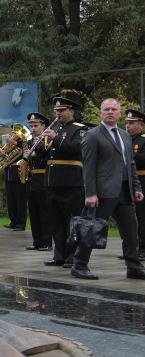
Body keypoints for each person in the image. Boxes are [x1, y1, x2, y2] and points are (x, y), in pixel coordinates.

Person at [75, 98, 145, 281]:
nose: (110, 112)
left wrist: (136, 187)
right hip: (102, 193)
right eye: (106, 109)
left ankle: (133, 266)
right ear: (100, 113)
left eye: (114, 109)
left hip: (124, 191)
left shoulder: (124, 135)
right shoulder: (92, 135)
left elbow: (129, 163)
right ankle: (79, 265)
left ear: (120, 113)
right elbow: (88, 167)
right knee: (92, 229)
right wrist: (90, 193)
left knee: (131, 231)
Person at [40, 96, 88, 267]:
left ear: (71, 112)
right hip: (52, 182)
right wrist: (37, 150)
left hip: (70, 183)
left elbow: (76, 149)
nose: (58, 113)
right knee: (56, 222)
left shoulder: (80, 129)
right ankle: (58, 255)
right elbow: (48, 157)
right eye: (57, 111)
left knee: (71, 222)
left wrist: (56, 138)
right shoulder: (56, 129)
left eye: (62, 110)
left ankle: (72, 256)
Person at [23, 112, 53, 251]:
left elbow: (50, 159)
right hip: (32, 179)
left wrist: (38, 153)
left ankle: (46, 242)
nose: (33, 129)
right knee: (34, 212)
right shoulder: (30, 142)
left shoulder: (48, 141)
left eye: (36, 126)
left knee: (44, 212)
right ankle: (37, 241)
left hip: (43, 178)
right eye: (31, 126)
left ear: (43, 126)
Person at [0, 127, 28, 231]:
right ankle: (13, 221)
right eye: (13, 131)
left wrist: (15, 142)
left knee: (20, 200)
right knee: (11, 200)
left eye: (16, 132)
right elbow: (1, 151)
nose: (14, 133)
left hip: (18, 172)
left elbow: (25, 152)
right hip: (8, 172)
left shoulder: (25, 141)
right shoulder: (9, 142)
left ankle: (21, 223)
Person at [126, 109, 145, 260]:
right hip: (130, 182)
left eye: (131, 123)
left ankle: (143, 248)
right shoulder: (127, 140)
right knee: (132, 218)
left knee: (142, 216)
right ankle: (133, 248)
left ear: (141, 125)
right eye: (126, 123)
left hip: (143, 182)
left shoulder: (144, 140)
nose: (128, 126)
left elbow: (140, 159)